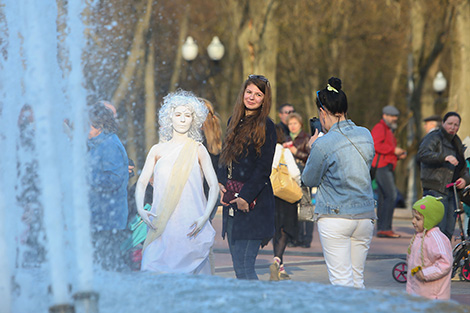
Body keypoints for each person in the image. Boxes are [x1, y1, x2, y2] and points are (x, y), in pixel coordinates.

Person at [302, 77, 376, 288]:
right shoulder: (366, 134)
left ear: (323, 111)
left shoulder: (323, 143)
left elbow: (309, 179)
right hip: (364, 215)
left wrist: (312, 149)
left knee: (340, 282)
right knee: (357, 280)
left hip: (335, 216)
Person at [135, 90, 218, 274]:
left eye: (187, 115)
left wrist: (205, 216)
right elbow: (141, 183)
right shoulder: (157, 150)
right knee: (153, 270)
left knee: (194, 283)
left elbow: (213, 186)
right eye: (178, 114)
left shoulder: (198, 149)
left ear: (193, 119)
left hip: (191, 225)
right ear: (169, 117)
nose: (182, 119)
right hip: (161, 226)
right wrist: (141, 209)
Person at [218, 74, 276, 280]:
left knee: (245, 267)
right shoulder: (233, 121)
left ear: (264, 99)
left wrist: (246, 196)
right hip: (232, 202)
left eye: (258, 94)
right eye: (249, 92)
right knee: (238, 268)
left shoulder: (266, 126)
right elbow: (225, 157)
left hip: (253, 205)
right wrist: (220, 181)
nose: (251, 97)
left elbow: (263, 168)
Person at [87, 102, 129, 270]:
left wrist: (85, 178)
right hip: (99, 218)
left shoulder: (109, 145)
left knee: (107, 265)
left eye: (87, 124)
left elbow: (114, 180)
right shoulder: (98, 144)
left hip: (108, 220)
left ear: (100, 125)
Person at [417, 112, 470, 240]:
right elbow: (423, 154)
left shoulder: (456, 142)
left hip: (453, 191)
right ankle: (432, 256)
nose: (453, 127)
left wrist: (464, 179)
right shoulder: (434, 137)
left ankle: (444, 257)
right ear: (443, 123)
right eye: (450, 124)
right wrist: (443, 157)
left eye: (456, 125)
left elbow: (463, 167)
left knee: (449, 228)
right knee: (437, 227)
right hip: (436, 189)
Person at [269, 124, 301, 281]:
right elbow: (294, 173)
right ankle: (277, 260)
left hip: (271, 195)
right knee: (285, 230)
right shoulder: (284, 151)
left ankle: (280, 266)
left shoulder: (264, 151)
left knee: (275, 229)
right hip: (286, 196)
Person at [406, 196, 452, 300]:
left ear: (430, 220)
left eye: (417, 219)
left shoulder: (436, 239)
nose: (413, 221)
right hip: (417, 291)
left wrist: (425, 273)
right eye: (413, 217)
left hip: (433, 296)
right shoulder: (419, 236)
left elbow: (445, 263)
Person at [371, 105, 407, 238]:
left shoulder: (388, 130)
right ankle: (385, 228)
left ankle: (382, 228)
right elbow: (375, 145)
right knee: (391, 195)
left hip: (386, 165)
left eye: (396, 117)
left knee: (383, 197)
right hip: (382, 166)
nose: (394, 119)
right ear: (384, 116)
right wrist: (393, 150)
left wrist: (397, 154)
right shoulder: (380, 128)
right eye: (392, 116)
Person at [200, 97, 223, 275]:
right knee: (204, 237)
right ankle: (209, 274)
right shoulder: (216, 137)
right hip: (210, 194)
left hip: (201, 194)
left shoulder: (197, 139)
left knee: (197, 237)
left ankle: (205, 274)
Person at [283, 112, 312, 248]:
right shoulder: (286, 138)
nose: (292, 126)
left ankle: (307, 239)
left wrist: (295, 152)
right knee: (293, 207)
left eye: (295, 123)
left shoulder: (307, 138)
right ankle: (295, 237)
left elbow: (311, 157)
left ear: (300, 124)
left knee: (305, 206)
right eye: (290, 124)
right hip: (290, 176)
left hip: (304, 174)